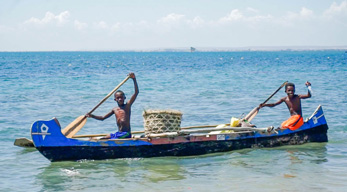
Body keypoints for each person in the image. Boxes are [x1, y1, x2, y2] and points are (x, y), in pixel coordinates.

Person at [86, 72, 139, 139]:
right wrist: (92, 116)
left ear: (124, 98)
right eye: (118, 98)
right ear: (115, 99)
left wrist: (134, 79)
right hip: (119, 133)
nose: (120, 99)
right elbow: (103, 118)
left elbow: (136, 92)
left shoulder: (127, 106)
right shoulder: (115, 109)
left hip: (126, 134)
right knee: (104, 138)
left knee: (113, 138)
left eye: (121, 97)